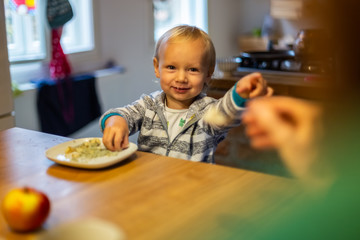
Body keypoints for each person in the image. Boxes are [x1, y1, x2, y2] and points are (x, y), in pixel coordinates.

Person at [99, 25, 272, 163]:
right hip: (150, 186)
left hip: (193, 189)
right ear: (156, 67)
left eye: (193, 69)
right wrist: (116, 121)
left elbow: (227, 113)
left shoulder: (207, 111)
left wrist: (239, 93)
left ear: (208, 73)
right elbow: (124, 114)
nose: (181, 78)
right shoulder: (148, 105)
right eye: (172, 67)